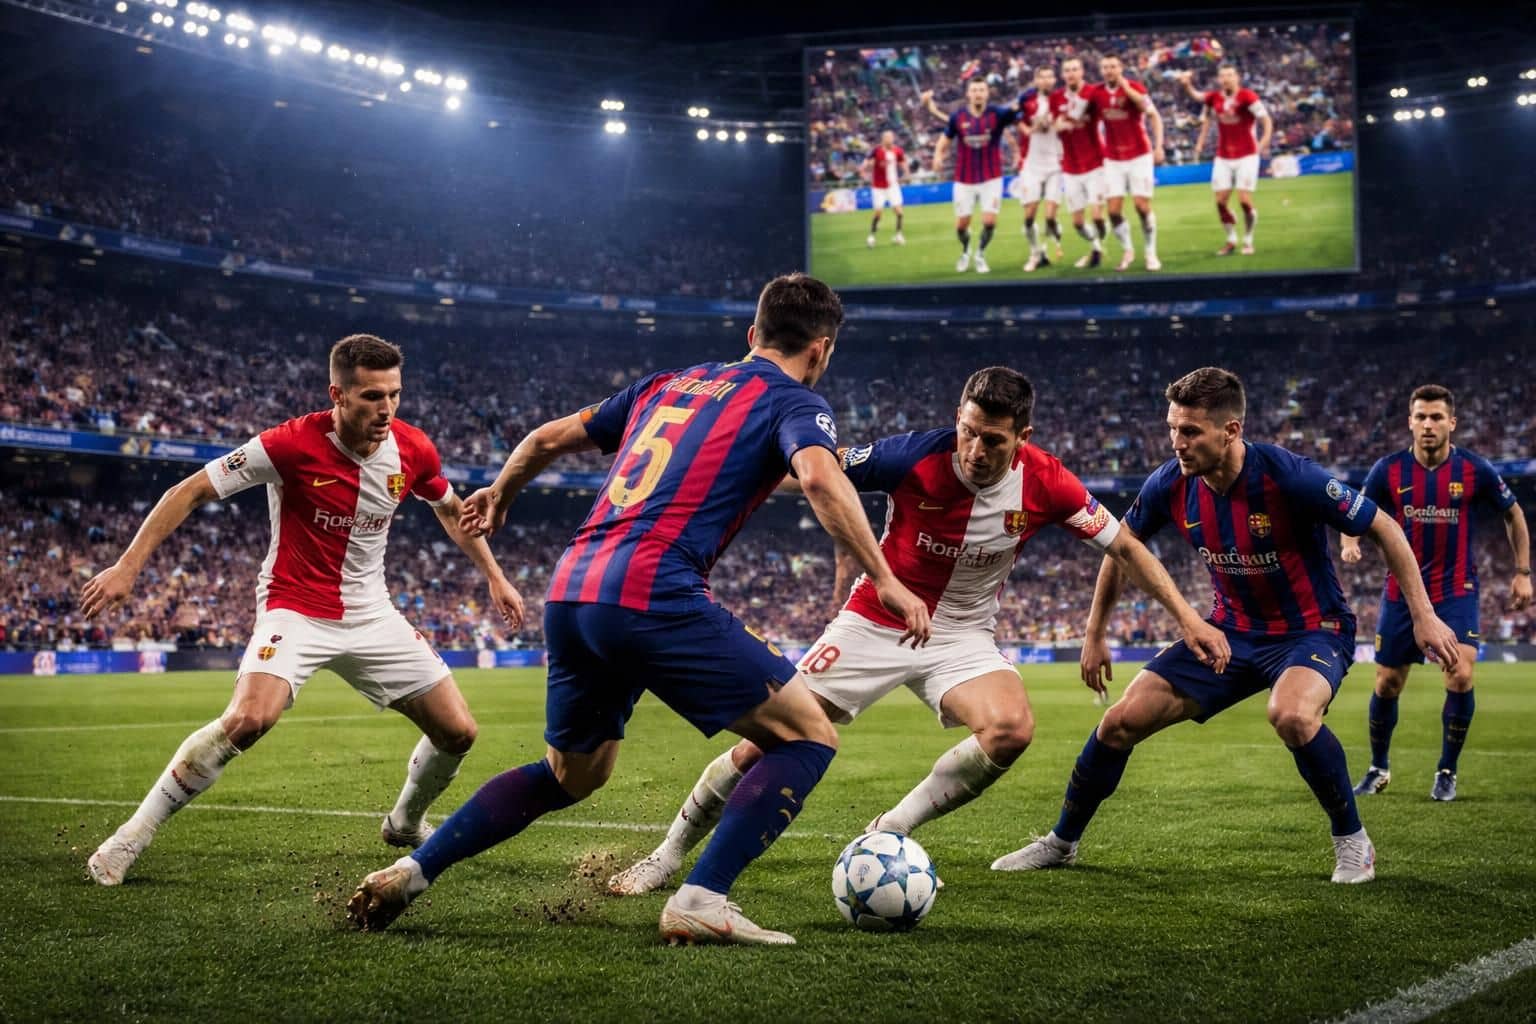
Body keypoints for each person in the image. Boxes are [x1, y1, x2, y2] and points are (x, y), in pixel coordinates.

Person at [345, 274, 931, 946]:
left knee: (571, 775)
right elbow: (821, 476)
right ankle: (702, 898)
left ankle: (412, 872)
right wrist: (885, 578)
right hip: (653, 589)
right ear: (822, 349)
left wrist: (501, 494)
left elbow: (542, 439)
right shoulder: (794, 399)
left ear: (752, 334)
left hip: (573, 587)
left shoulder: (666, 384)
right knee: (808, 735)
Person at [607, 367, 1230, 896]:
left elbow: (1126, 546)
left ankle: (890, 830)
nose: (976, 450)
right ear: (956, 419)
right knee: (765, 743)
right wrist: (736, 473)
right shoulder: (910, 455)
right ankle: (667, 854)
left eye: (993, 440)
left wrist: (1186, 617)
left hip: (962, 634)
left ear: (1023, 437)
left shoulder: (1047, 481)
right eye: (968, 432)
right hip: (874, 620)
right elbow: (814, 471)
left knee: (1011, 730)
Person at [81, 334, 525, 886]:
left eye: (394, 394)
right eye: (371, 396)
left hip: (372, 613)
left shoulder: (413, 448)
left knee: (459, 732)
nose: (386, 408)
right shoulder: (288, 444)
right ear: (337, 394)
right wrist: (127, 566)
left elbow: (452, 511)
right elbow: (190, 490)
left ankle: (404, 823)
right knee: (249, 719)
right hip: (295, 608)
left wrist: (495, 576)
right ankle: (131, 837)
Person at [992, 367, 1461, 883]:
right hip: (1228, 634)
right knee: (1119, 722)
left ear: (1231, 430)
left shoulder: (1289, 476)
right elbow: (1120, 547)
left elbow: (1384, 526)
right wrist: (1095, 633)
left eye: (1191, 431)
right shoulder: (1170, 482)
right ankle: (1061, 843)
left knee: (1291, 715)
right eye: (1173, 429)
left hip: (1312, 630)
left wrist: (1423, 615)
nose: (1177, 443)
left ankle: (1353, 843)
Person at [1342, 384, 1530, 801]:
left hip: (1455, 589)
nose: (1428, 424)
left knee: (1460, 673)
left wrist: (1522, 572)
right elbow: (1351, 509)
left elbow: (1513, 513)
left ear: (1452, 423)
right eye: (1421, 417)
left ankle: (1447, 771)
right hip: (1402, 592)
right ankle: (1378, 768)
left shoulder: (1475, 469)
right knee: (1388, 682)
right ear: (1410, 422)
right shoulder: (1388, 470)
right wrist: (1349, 541)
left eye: (1437, 417)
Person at [923, 78, 1021, 274]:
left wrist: (1018, 151)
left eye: (981, 90)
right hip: (964, 179)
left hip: (991, 177)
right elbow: (945, 139)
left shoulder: (997, 114)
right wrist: (937, 156)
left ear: (987, 93)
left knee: (989, 222)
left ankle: (980, 254)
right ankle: (966, 250)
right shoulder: (958, 117)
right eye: (974, 90)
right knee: (961, 226)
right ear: (968, 94)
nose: (978, 93)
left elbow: (1017, 118)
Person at [1179, 65, 1273, 255]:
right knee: (1221, 202)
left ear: (1237, 77)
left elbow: (1266, 120)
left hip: (1247, 155)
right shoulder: (1214, 98)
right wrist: (1187, 84)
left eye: (1229, 75)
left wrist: (1262, 143)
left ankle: (1248, 239)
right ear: (1218, 79)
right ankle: (1231, 239)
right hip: (1223, 156)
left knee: (1244, 201)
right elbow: (1198, 99)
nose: (1226, 79)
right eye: (1222, 76)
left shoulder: (1247, 96)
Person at [1097, 54, 1165, 271]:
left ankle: (1150, 252)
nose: (1109, 70)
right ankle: (1128, 250)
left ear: (1121, 68)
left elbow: (1152, 114)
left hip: (1139, 155)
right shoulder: (1097, 93)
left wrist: (1159, 146)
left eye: (1113, 66)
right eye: (1105, 67)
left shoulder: (1135, 88)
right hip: (1113, 158)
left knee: (1142, 206)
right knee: (1113, 212)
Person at [1050, 57, 1109, 269]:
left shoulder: (1092, 93)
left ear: (1082, 71)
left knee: (1097, 216)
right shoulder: (1056, 98)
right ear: (1062, 75)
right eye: (1067, 70)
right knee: (1077, 222)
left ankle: (1100, 247)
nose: (1071, 74)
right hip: (1070, 166)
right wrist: (1058, 126)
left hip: (1095, 163)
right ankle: (1096, 247)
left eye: (1075, 69)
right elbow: (1055, 126)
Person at [1014, 66, 1066, 272]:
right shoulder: (1025, 99)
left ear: (1054, 79)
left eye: (1049, 76)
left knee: (1050, 216)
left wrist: (1057, 124)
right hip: (1031, 165)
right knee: (1029, 217)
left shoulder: (1062, 98)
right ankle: (1035, 253)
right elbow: (1018, 122)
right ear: (1036, 80)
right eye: (1042, 77)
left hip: (1055, 164)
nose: (1046, 80)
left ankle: (1051, 234)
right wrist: (1031, 128)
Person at [862, 130, 907, 247]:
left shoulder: (898, 150)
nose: (889, 139)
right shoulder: (877, 150)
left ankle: (898, 235)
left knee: (899, 212)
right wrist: (864, 168)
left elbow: (903, 162)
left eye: (891, 137)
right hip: (878, 187)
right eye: (887, 137)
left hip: (893, 186)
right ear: (883, 139)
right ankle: (871, 236)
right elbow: (867, 161)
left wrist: (906, 173)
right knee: (878, 213)